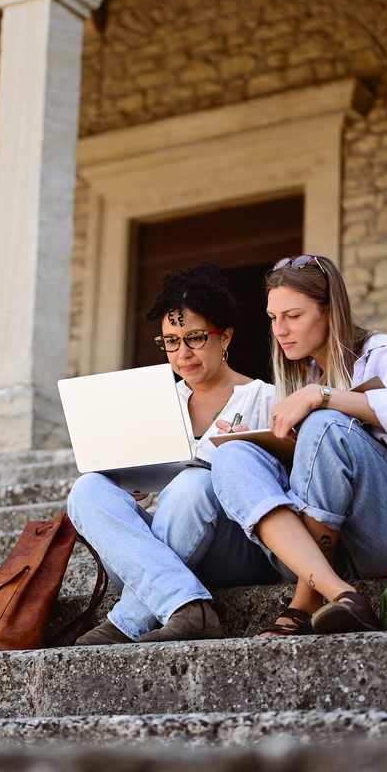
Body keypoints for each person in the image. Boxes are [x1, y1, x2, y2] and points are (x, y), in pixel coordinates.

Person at [210, 254, 387, 637]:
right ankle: (341, 592)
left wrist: (323, 397)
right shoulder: (300, 375)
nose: (280, 329)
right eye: (273, 318)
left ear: (329, 311)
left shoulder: (379, 351)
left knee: (325, 424)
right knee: (232, 454)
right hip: (340, 548)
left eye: (293, 316)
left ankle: (304, 602)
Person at [67, 264, 279, 645]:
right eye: (170, 341)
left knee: (196, 481)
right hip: (158, 551)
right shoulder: (159, 403)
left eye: (195, 338)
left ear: (225, 336)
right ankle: (184, 604)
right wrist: (129, 482)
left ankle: (129, 620)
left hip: (232, 547)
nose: (183, 353)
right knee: (87, 490)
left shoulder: (265, 398)